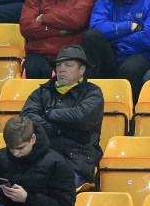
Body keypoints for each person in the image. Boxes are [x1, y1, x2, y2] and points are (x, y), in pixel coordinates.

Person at [20, 46, 103, 185]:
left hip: (76, 160)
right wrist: (57, 129)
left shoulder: (93, 92)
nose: (61, 69)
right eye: (58, 65)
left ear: (82, 70)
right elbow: (27, 117)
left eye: (68, 65)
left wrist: (48, 113)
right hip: (41, 156)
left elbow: (82, 117)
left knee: (51, 188)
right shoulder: (42, 91)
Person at [0, 116, 76, 206]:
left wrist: (28, 198)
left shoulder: (58, 164)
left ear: (33, 138)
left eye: (20, 147)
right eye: (11, 148)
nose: (15, 153)